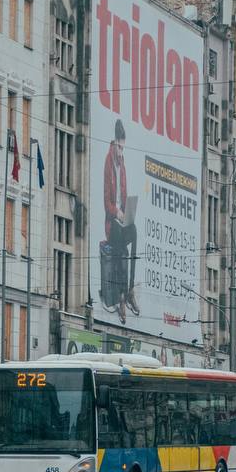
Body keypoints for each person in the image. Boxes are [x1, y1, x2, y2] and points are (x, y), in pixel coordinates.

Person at [103, 119, 139, 323]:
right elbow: (107, 202)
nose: (121, 151)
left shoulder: (122, 163)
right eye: (119, 147)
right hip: (111, 223)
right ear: (114, 142)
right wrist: (117, 213)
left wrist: (128, 212)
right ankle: (121, 298)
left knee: (134, 233)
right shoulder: (108, 163)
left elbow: (123, 194)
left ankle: (130, 289)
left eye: (123, 148)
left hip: (122, 219)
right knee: (121, 251)